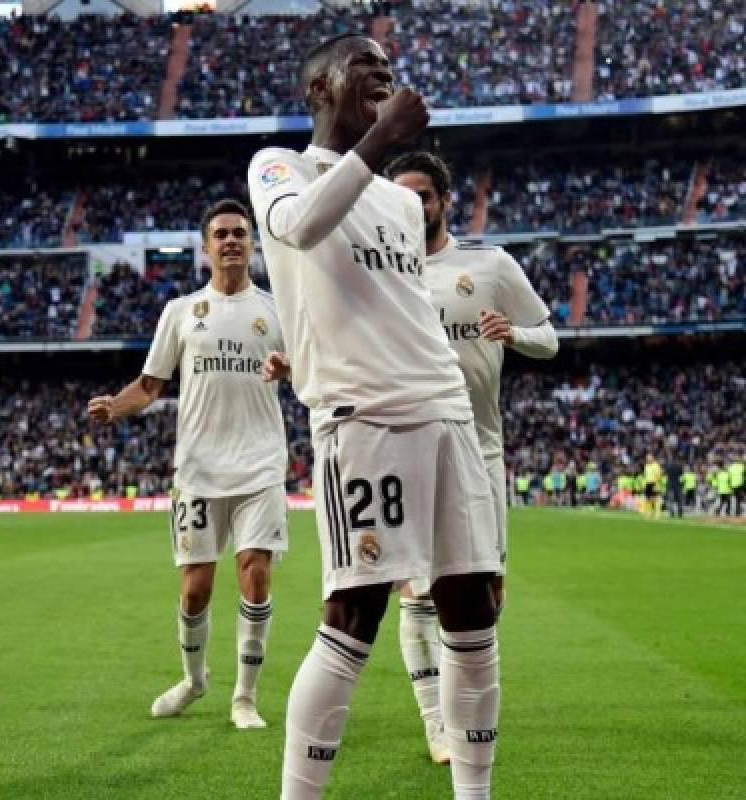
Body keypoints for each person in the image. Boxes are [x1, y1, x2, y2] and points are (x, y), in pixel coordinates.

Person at [248, 35, 502, 800]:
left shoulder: (398, 200)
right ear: (322, 86)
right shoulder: (277, 166)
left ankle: (475, 794)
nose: (384, 76)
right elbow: (299, 229)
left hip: (445, 413)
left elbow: (399, 302)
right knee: (353, 612)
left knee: (471, 609)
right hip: (364, 422)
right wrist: (383, 135)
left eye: (389, 73)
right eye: (366, 66)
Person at [87, 199, 290, 730]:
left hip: (261, 464)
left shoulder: (276, 310)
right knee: (196, 586)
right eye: (220, 234)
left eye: (239, 233)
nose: (230, 241)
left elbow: (310, 370)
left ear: (252, 244)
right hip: (198, 467)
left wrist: (290, 368)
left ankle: (244, 697)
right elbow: (150, 386)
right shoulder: (180, 312)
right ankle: (195, 680)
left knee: (255, 573)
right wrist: (115, 405)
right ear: (205, 247)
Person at [388, 150, 558, 763]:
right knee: (418, 592)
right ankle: (439, 723)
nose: (413, 209)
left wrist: (513, 333)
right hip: (408, 447)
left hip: (481, 450)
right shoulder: (382, 274)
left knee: (486, 598)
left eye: (423, 198)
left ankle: (461, 707)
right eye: (401, 199)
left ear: (443, 200)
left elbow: (550, 336)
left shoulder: (488, 264)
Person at [664, 452, 684, 518]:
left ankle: (672, 513)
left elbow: (666, 474)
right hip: (677, 485)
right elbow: (681, 475)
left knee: (670, 501)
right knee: (679, 501)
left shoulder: (668, 467)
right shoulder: (679, 467)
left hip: (670, 485)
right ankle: (680, 513)